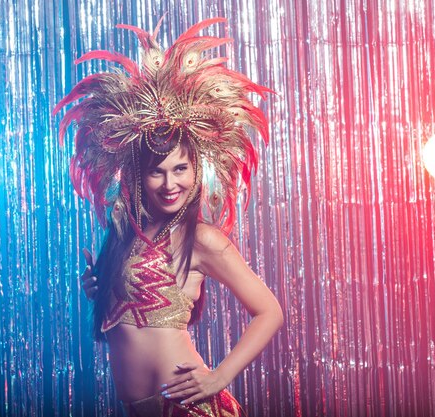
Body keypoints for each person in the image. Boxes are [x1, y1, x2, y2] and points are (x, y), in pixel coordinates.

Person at [54, 17, 284, 417]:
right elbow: (129, 312)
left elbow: (270, 312)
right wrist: (103, 286)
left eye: (180, 169)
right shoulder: (125, 230)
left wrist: (217, 378)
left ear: (196, 171)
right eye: (156, 171)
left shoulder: (203, 239)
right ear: (138, 175)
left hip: (187, 409)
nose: (169, 183)